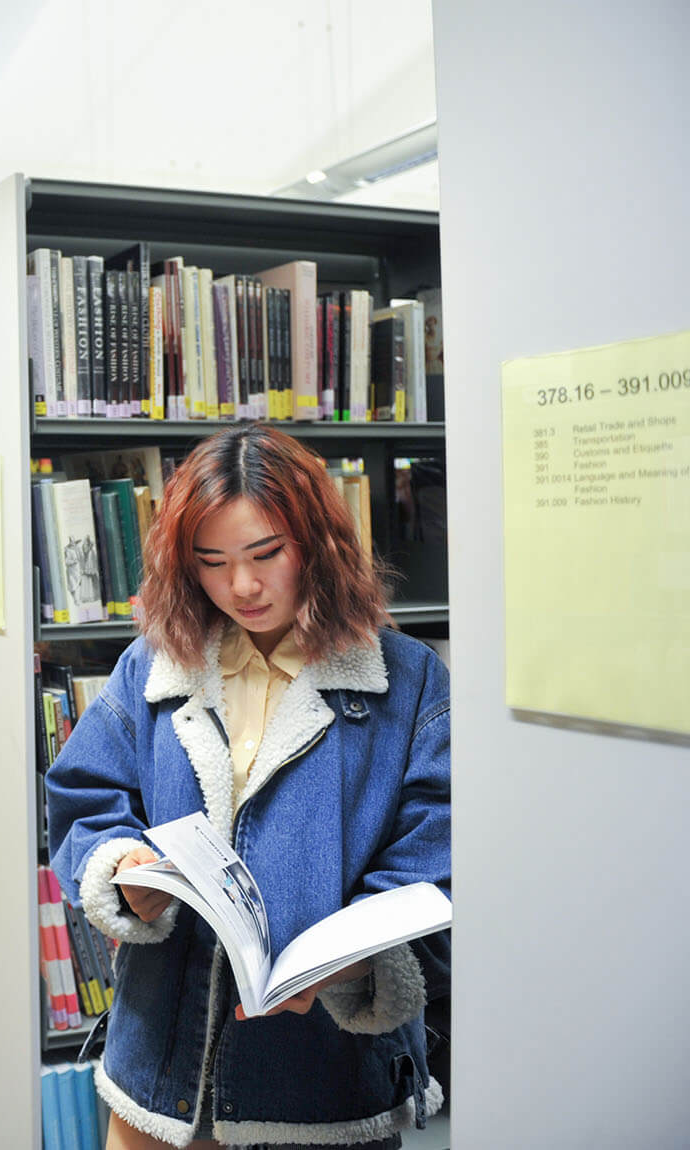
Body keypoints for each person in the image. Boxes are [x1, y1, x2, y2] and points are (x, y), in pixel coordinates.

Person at [45, 425, 450, 1150]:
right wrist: (118, 868)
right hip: (160, 1076)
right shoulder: (155, 665)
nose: (242, 586)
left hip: (325, 1082)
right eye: (213, 562)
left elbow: (439, 858)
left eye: (267, 554)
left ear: (319, 544)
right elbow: (85, 796)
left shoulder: (410, 681)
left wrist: (356, 965)